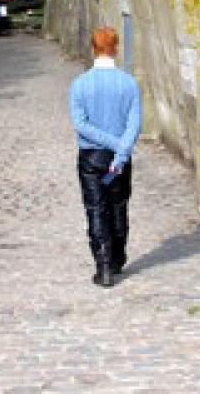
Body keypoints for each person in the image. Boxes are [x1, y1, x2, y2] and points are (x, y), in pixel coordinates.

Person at [68, 26, 142, 287]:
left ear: (94, 48)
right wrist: (120, 148)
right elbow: (134, 125)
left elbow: (80, 124)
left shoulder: (79, 85)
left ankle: (104, 266)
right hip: (118, 158)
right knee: (119, 206)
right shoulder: (129, 83)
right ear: (115, 48)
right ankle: (118, 258)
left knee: (96, 209)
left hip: (91, 157)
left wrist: (111, 143)